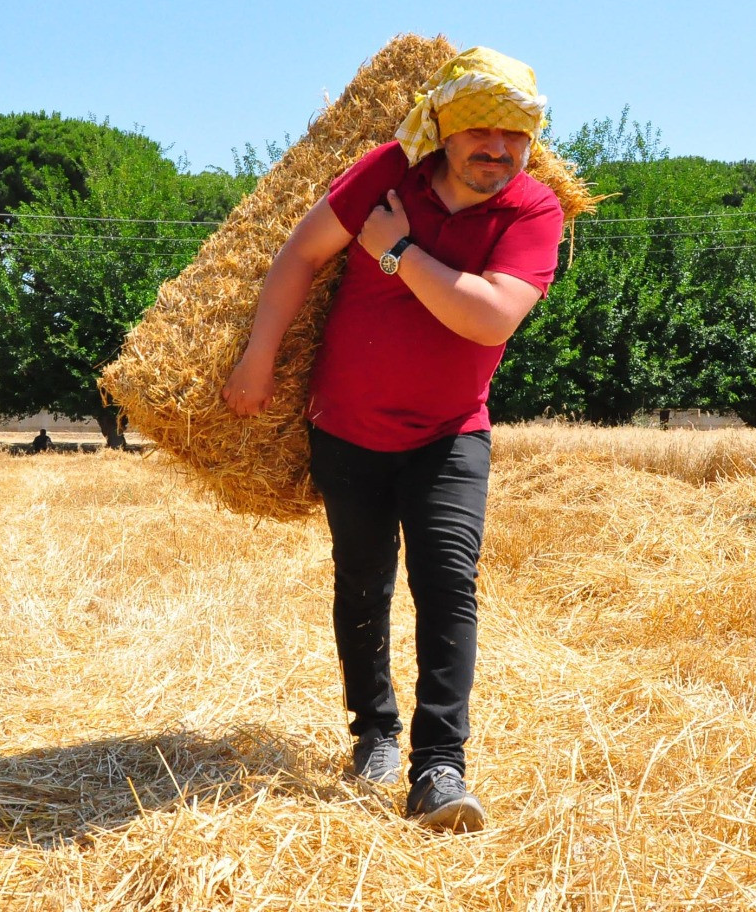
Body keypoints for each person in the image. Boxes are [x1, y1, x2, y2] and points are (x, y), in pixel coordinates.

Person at [221, 47, 564, 832]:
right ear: (441, 128)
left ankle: (438, 768)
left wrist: (396, 252)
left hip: (450, 435)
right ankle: (373, 731)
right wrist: (258, 355)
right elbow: (299, 256)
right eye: (480, 129)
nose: (497, 148)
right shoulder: (383, 173)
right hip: (346, 428)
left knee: (447, 585)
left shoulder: (531, 211)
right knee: (363, 582)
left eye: (514, 135)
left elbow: (487, 316)